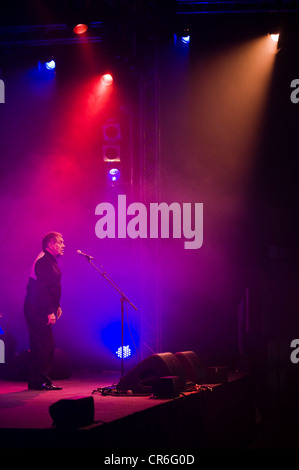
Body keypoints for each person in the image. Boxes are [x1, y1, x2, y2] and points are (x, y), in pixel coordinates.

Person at [24, 232, 65, 390]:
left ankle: (39, 381)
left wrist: (57, 306)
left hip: (41, 308)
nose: (63, 245)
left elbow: (51, 288)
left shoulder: (49, 260)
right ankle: (40, 381)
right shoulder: (43, 261)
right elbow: (40, 290)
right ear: (50, 245)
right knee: (43, 345)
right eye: (60, 242)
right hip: (37, 309)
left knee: (43, 344)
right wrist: (49, 311)